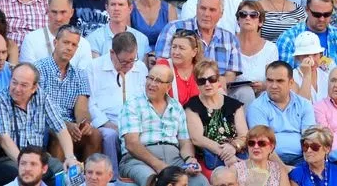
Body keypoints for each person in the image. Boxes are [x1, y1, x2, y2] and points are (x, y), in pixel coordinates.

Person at [119, 64, 208, 186]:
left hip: (174, 159)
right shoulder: (133, 103)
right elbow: (132, 144)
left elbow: (185, 142)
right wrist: (160, 166)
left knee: (200, 181)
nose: (152, 84)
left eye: (158, 81)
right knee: (153, 179)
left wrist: (189, 160)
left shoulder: (176, 106)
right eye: (150, 78)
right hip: (139, 160)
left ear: (168, 86)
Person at [33, 24, 103, 158]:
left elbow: (82, 109)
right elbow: (37, 108)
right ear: (55, 42)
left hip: (71, 126)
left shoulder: (79, 74)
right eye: (66, 42)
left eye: (74, 45)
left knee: (94, 134)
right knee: (60, 132)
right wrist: (64, 125)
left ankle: (90, 170)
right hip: (45, 124)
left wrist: (83, 124)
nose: (69, 47)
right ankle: (60, 172)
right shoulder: (38, 69)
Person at [0, 63, 76, 168]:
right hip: (11, 158)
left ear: (34, 87)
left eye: (23, 85)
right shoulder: (0, 100)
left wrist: (70, 157)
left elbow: (60, 128)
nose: (17, 89)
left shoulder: (41, 96)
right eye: (14, 82)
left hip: (38, 156)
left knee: (60, 170)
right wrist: (25, 164)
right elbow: (5, 140)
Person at [86, 32, 147, 176]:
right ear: (112, 53)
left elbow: (145, 100)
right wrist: (107, 123)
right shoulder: (94, 67)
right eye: (124, 62)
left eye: (132, 60)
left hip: (135, 122)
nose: (129, 66)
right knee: (110, 135)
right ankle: (112, 177)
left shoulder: (140, 67)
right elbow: (89, 102)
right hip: (106, 122)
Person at [156, 0, 243, 83]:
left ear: (221, 13)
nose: (206, 14)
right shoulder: (174, 28)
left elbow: (231, 74)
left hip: (216, 87)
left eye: (212, 10)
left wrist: (220, 81)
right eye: (203, 8)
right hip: (179, 83)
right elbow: (162, 63)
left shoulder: (230, 39)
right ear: (197, 8)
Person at [245, 61, 314, 165]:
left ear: (291, 83)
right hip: (269, 160)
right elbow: (262, 144)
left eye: (279, 81)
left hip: (302, 159)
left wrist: (305, 167)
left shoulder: (304, 104)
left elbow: (310, 138)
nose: (274, 86)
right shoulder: (257, 107)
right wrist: (283, 168)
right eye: (270, 80)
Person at [185, 58, 247, 169]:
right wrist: (226, 155)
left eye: (212, 79)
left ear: (218, 80)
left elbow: (244, 136)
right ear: (197, 84)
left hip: (236, 153)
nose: (207, 84)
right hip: (213, 159)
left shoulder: (234, 105)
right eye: (202, 81)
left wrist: (233, 147)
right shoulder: (192, 106)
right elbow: (197, 138)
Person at [276, 0, 337, 68]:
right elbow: (285, 75)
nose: (322, 19)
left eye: (327, 14)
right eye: (317, 14)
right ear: (307, 10)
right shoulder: (288, 38)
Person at [17, 0, 92, 69]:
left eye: (63, 12)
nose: (58, 18)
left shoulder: (83, 44)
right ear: (47, 11)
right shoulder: (31, 40)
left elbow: (84, 75)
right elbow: (26, 73)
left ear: (71, 13)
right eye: (54, 12)